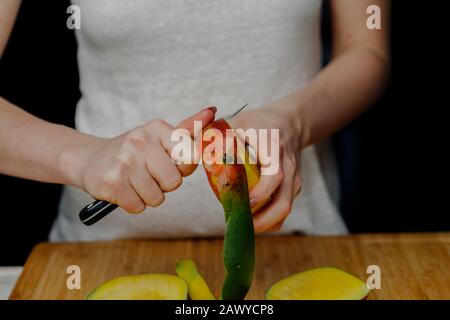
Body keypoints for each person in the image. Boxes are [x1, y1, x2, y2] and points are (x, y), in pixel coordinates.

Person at [0, 0, 390, 241]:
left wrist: (294, 121)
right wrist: (84, 158)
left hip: (300, 245)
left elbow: (366, 50)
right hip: (103, 254)